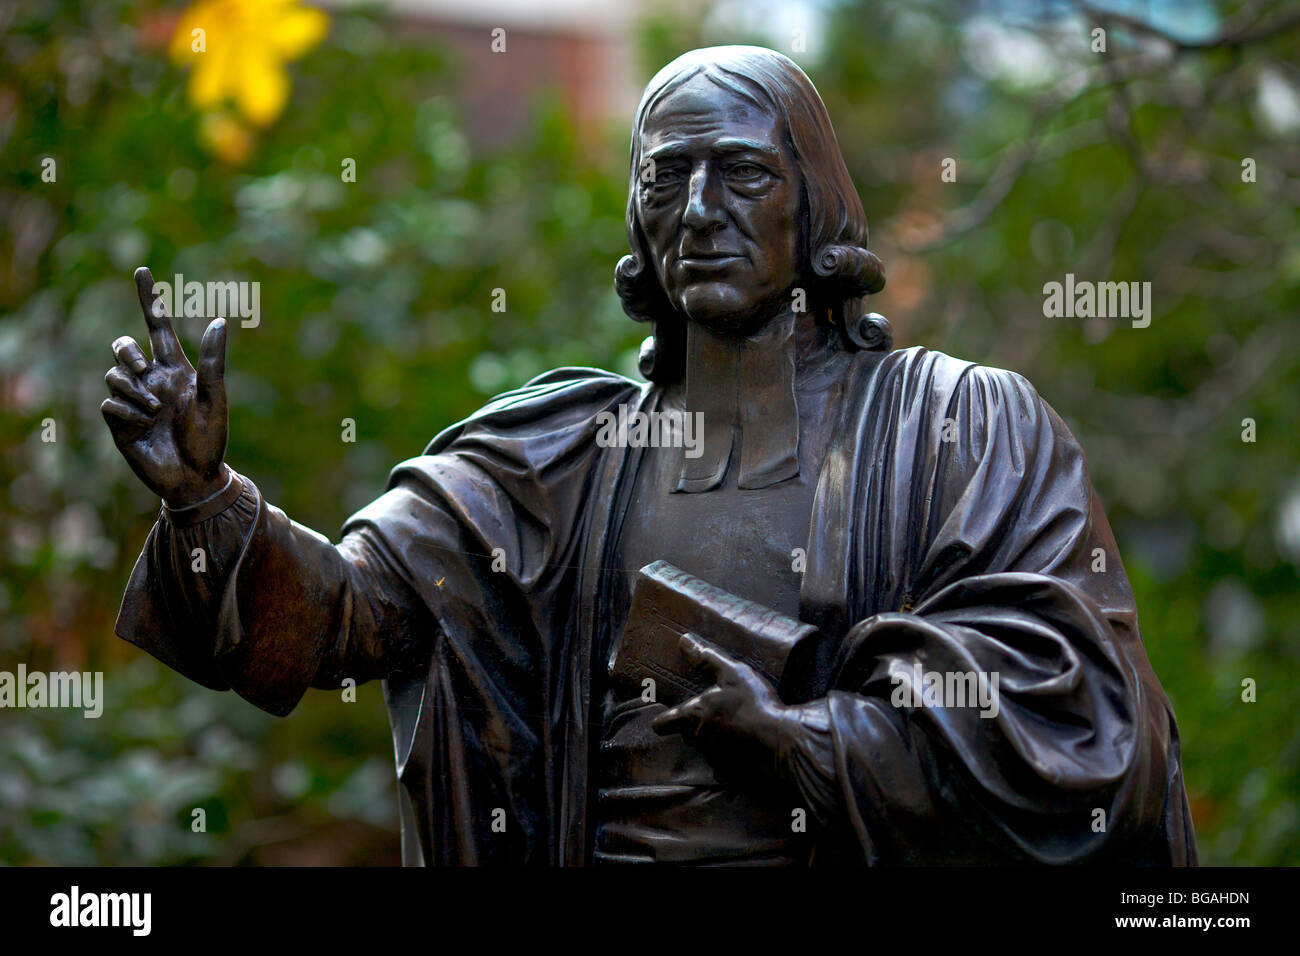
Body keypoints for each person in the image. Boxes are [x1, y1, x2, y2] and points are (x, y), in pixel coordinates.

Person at [102, 46, 1196, 866]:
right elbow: (343, 615)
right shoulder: (552, 459)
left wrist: (810, 738)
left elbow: (1089, 733)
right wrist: (205, 500)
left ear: (812, 198)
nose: (701, 211)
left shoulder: (961, 428)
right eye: (668, 178)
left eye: (743, 175)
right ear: (635, 210)